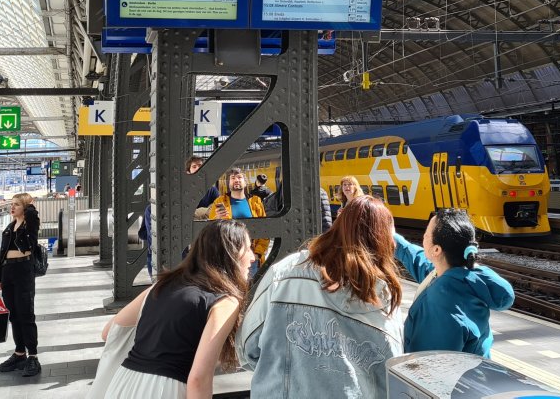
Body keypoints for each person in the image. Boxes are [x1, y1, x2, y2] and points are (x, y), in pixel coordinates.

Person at [238, 196, 404, 398]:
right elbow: (391, 375)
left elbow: (247, 347)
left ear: (337, 227)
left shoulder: (286, 273)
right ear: (385, 242)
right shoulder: (386, 301)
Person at [101, 220, 255, 398]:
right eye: (248, 248)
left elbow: (108, 333)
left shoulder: (162, 285)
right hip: (164, 390)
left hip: (122, 384)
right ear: (230, 253)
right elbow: (199, 379)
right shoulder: (224, 302)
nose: (253, 257)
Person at [394, 209, 514, 357]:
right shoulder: (466, 278)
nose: (423, 238)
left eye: (426, 235)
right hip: (475, 375)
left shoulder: (440, 301)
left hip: (448, 377)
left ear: (436, 250)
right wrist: (392, 239)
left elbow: (430, 364)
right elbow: (420, 261)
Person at [0, 193, 41, 377]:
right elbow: (2, 255)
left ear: (25, 208)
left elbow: (31, 217)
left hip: (24, 271)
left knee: (26, 314)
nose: (11, 208)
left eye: (16, 205)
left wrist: (29, 206)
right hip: (8, 273)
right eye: (11, 205)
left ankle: (33, 356)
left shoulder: (30, 224)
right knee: (13, 315)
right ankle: (19, 353)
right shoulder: (9, 227)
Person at [207, 168, 268, 271]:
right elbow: (209, 229)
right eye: (233, 178)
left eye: (239, 177)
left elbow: (265, 229)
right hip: (227, 257)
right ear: (228, 183)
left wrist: (257, 253)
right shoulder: (220, 201)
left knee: (252, 287)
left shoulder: (256, 201)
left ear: (245, 182)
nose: (236, 180)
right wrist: (216, 219)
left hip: (250, 258)